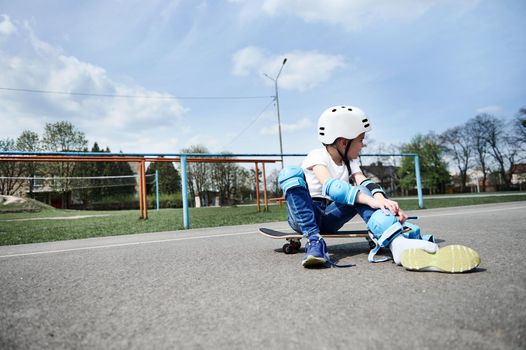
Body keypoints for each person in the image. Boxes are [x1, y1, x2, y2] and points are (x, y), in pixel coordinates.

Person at [278, 105, 480, 272]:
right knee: (290, 173)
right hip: (304, 214)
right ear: (343, 142)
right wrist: (370, 200)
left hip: (329, 218)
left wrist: (385, 203)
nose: (362, 146)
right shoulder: (317, 156)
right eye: (360, 140)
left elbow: (365, 183)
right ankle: (315, 242)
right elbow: (331, 187)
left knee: (362, 193)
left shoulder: (350, 163)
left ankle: (397, 242)